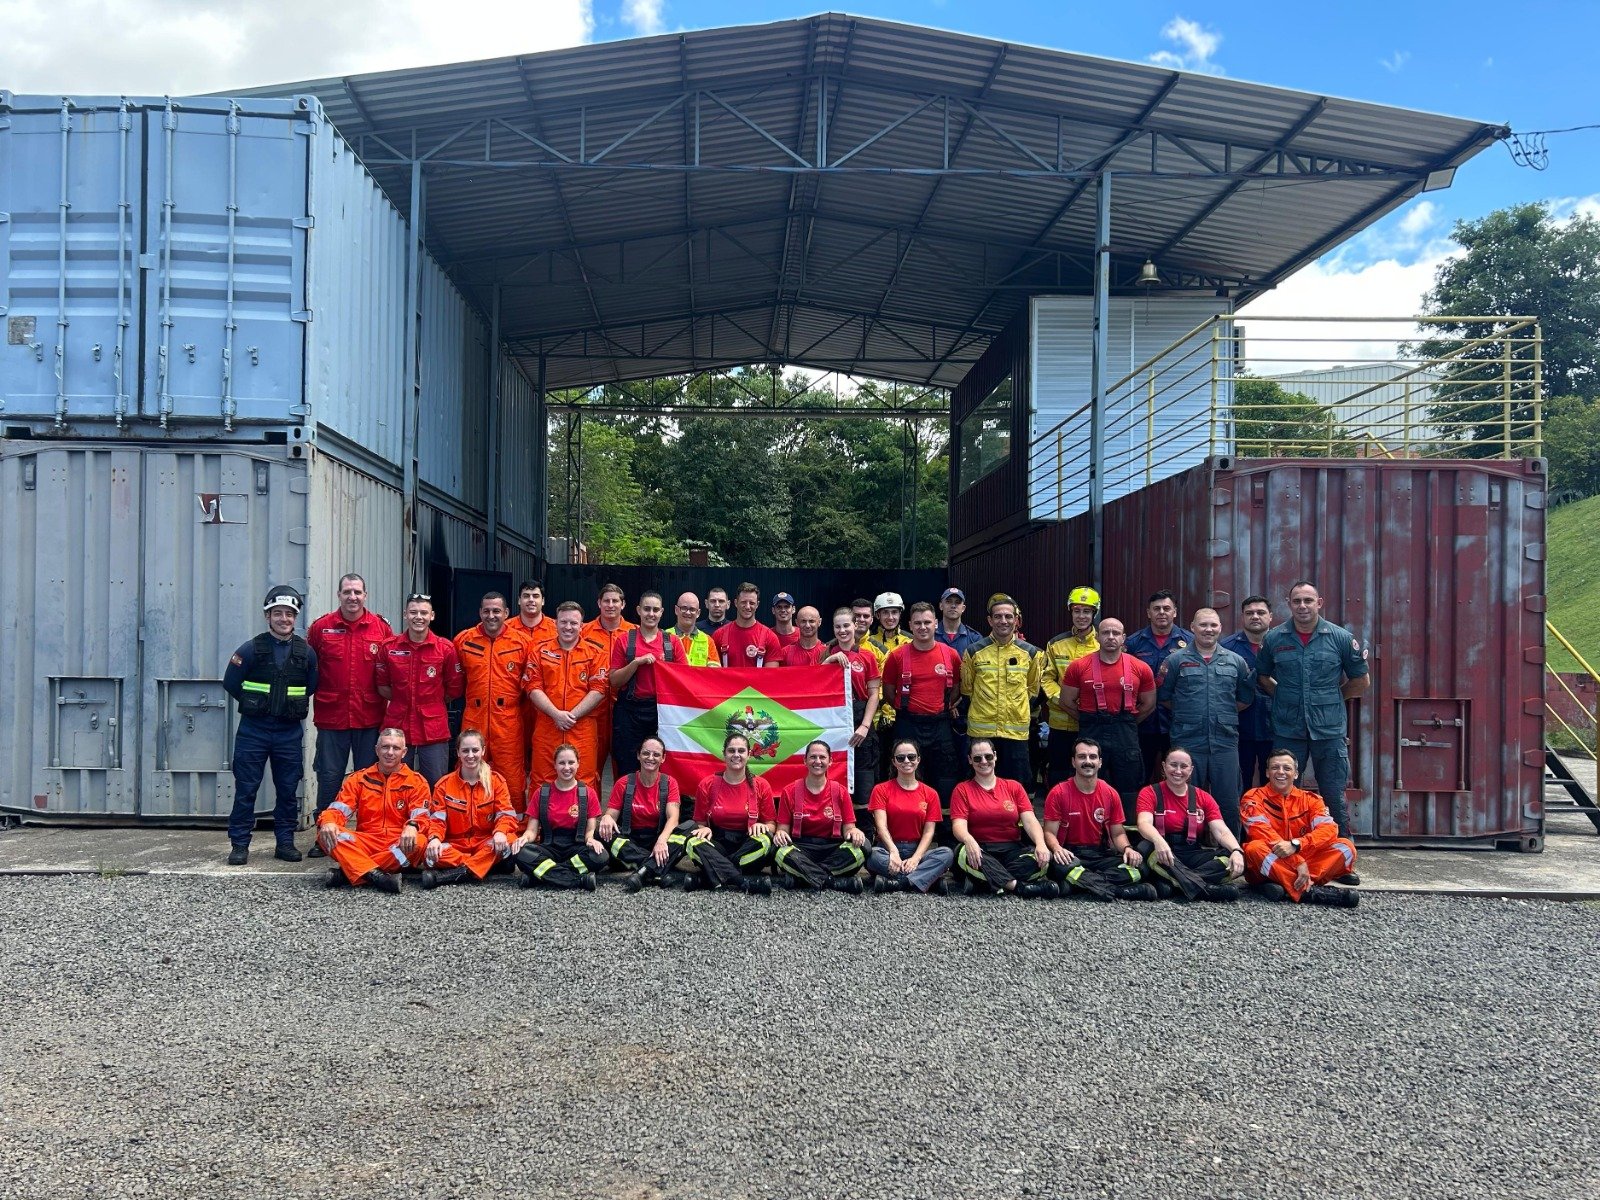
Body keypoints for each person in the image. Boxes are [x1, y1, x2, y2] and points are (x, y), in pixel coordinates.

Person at [1254, 580, 1369, 867]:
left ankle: (1342, 860)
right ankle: (1281, 857)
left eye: (1308, 600)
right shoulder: (1275, 638)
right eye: (1297, 601)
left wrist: (1332, 699)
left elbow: (1360, 680)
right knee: (1281, 790)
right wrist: (1284, 698)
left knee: (1333, 792)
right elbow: (1263, 677)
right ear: (1289, 604)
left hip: (1328, 730)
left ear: (1319, 603)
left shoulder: (1341, 638)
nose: (1302, 606)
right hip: (1288, 729)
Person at [222, 585, 319, 865]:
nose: (284, 619)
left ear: (295, 617)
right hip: (254, 731)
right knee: (246, 790)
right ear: (268, 616)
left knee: (288, 790)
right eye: (278, 613)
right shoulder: (252, 648)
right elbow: (231, 682)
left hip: (288, 732)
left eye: (289, 614)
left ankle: (285, 843)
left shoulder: (306, 653)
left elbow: (311, 686)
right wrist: (257, 705)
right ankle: (239, 845)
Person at [305, 573, 391, 856]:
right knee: (330, 778)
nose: (352, 597)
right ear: (338, 595)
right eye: (347, 592)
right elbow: (309, 666)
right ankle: (324, 838)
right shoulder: (321, 628)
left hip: (369, 718)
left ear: (365, 595)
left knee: (369, 780)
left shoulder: (380, 629)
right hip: (333, 718)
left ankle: (367, 836)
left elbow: (390, 671)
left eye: (357, 592)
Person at [1155, 607, 1255, 838]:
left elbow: (1244, 699)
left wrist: (1220, 715)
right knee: (1188, 800)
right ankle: (1191, 849)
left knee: (1228, 801)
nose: (1208, 630)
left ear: (1220, 628)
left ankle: (1229, 852)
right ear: (1192, 628)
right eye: (1203, 625)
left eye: (1213, 625)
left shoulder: (1236, 662)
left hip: (1225, 743)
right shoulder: (1175, 660)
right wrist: (1190, 714)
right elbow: (1165, 697)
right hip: (1188, 743)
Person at [1058, 617, 1155, 819]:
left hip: (1125, 734)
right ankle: (1086, 831)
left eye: (1116, 633)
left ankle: (1127, 835)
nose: (1111, 637)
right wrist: (1086, 721)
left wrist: (1127, 724)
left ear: (1123, 638)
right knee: (1086, 780)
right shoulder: (1078, 667)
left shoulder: (1140, 668)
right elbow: (1066, 702)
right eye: (1106, 632)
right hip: (1092, 732)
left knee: (1129, 783)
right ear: (1098, 636)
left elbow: (1149, 705)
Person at [316, 726, 429, 893]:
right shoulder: (359, 779)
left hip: (397, 842)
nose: (390, 752)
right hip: (366, 842)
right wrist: (328, 821)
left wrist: (412, 826)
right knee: (325, 835)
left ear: (404, 752)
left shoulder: (417, 782)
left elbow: (422, 817)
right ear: (376, 750)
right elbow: (338, 810)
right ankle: (379, 877)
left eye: (396, 748)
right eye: (385, 747)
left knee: (419, 843)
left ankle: (352, 871)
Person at [1239, 750, 1359, 908]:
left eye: (1287, 768)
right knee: (1254, 849)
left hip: (1300, 855)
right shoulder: (1253, 797)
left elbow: (1328, 830)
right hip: (1270, 856)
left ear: (1296, 774)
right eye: (1275, 768)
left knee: (1346, 847)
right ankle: (1309, 892)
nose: (1281, 772)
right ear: (1267, 773)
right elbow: (1260, 832)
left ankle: (1285, 884)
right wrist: (1297, 862)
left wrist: (1297, 845)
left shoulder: (1311, 800)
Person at [1041, 737, 1154, 901]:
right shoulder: (1058, 793)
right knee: (1057, 866)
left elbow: (1117, 834)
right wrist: (1057, 849)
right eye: (1082, 757)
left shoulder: (1110, 793)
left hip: (1101, 855)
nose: (1088, 761)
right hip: (1070, 855)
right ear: (1073, 762)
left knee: (1140, 867)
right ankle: (1120, 892)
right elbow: (1049, 832)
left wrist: (1128, 849)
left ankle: (1081, 884)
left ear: (1100, 762)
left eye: (1093, 757)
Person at [453, 591, 533, 813]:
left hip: (508, 718)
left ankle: (514, 823)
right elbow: (454, 681)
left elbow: (531, 685)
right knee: (468, 769)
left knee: (512, 774)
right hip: (473, 716)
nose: (491, 616)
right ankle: (469, 819)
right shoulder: (463, 640)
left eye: (496, 611)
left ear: (506, 613)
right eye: (486, 611)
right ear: (480, 612)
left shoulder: (522, 642)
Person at [1133, 747, 1247, 902]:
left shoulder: (1203, 797)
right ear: (1164, 766)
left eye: (1184, 766)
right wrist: (1159, 840)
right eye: (1173, 765)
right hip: (1161, 851)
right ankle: (1205, 890)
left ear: (1191, 770)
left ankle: (1177, 884)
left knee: (1231, 859)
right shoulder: (1149, 792)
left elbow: (1221, 831)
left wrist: (1236, 850)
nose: (1178, 771)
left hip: (1190, 851)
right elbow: (1143, 823)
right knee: (1146, 849)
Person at [375, 592, 464, 788]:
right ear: (405, 614)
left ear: (432, 616)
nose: (419, 617)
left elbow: (454, 689)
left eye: (424, 613)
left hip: (433, 726)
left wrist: (433, 701)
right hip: (398, 721)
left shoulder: (445, 649)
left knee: (435, 781)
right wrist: (403, 698)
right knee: (394, 780)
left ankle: (434, 819)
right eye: (413, 612)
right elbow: (382, 686)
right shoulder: (388, 647)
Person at [950, 739, 1054, 896]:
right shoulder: (962, 789)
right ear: (970, 760)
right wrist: (969, 840)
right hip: (980, 849)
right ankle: (1019, 887)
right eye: (977, 758)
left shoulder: (1014, 787)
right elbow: (958, 825)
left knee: (1041, 860)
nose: (984, 762)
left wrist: (1041, 844)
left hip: (1012, 849)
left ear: (995, 756)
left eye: (988, 757)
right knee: (962, 854)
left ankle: (987, 881)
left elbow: (1030, 821)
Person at [959, 595, 1043, 789]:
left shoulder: (1031, 653)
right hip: (982, 733)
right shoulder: (974, 652)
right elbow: (967, 689)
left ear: (1016, 619)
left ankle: (1018, 820)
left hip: (1015, 733)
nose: (1003, 621)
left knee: (1017, 785)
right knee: (978, 784)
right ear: (990, 620)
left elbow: (1033, 689)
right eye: (998, 617)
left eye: (1008, 616)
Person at [881, 602, 961, 802]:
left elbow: (957, 689)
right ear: (910, 624)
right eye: (917, 623)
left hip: (940, 723)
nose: (922, 627)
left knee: (944, 775)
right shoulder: (897, 656)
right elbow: (889, 693)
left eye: (927, 622)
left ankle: (943, 827)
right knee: (906, 776)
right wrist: (908, 709)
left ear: (936, 624)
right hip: (908, 724)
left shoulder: (950, 654)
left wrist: (942, 707)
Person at [420, 730, 520, 889]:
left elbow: (506, 815)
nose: (470, 755)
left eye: (475, 750)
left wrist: (500, 831)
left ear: (483, 751)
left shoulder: (496, 782)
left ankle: (452, 875)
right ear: (458, 752)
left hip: (485, 842)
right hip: (456, 845)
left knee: (511, 840)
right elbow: (437, 820)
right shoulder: (444, 785)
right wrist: (435, 839)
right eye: (465, 750)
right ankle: (485, 866)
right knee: (429, 855)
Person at [528, 602, 609, 794]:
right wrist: (556, 714)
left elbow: (599, 689)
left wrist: (571, 716)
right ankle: (540, 823)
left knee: (584, 777)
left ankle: (586, 823)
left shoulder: (595, 653)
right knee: (542, 777)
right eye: (563, 622)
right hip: (548, 725)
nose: (568, 627)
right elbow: (532, 686)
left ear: (582, 626)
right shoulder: (539, 651)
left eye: (574, 623)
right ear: (555, 623)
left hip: (582, 728)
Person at [598, 736, 694, 892]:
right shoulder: (623, 783)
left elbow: (673, 818)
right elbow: (611, 816)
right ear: (638, 755)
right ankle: (656, 868)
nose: (651, 758)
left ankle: (643, 871)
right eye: (646, 753)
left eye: (656, 755)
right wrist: (607, 818)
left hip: (659, 843)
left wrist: (662, 841)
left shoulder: (670, 783)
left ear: (663, 758)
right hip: (630, 842)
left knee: (690, 827)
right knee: (601, 833)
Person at [773, 740, 870, 893]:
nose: (817, 761)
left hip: (832, 849)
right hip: (802, 848)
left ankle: (806, 876)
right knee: (778, 850)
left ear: (830, 761)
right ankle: (831, 881)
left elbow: (849, 828)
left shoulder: (841, 791)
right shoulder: (789, 791)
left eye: (822, 757)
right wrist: (780, 834)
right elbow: (782, 829)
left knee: (864, 846)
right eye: (813, 757)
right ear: (805, 760)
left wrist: (854, 832)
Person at [685, 732, 776, 894]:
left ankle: (708, 877)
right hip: (718, 844)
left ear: (749, 754)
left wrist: (764, 826)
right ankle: (742, 882)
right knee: (692, 842)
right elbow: (700, 822)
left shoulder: (761, 785)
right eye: (731, 751)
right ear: (724, 754)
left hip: (747, 846)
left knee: (766, 841)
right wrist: (703, 828)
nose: (736, 755)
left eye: (741, 751)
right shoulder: (707, 784)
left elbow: (772, 825)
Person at [608, 591, 684, 777]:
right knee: (626, 761)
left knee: (660, 762)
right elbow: (614, 681)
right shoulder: (625, 640)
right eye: (647, 609)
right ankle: (626, 804)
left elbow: (684, 681)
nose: (651, 614)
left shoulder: (672, 643)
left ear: (662, 613)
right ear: (639, 611)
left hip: (661, 713)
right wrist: (635, 663)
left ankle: (657, 804)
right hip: (629, 711)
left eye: (655, 610)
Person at [512, 743, 607, 891]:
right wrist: (524, 838)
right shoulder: (541, 793)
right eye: (562, 763)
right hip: (549, 847)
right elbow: (531, 831)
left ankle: (539, 877)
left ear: (578, 764)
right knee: (520, 852)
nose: (566, 767)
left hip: (576, 846)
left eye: (571, 762)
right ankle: (579, 880)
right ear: (554, 765)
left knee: (600, 856)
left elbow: (590, 831)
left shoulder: (588, 793)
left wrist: (591, 841)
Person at [865, 738, 955, 894]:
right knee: (871, 855)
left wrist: (916, 858)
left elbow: (928, 832)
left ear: (918, 760)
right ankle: (926, 881)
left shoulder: (930, 793)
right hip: (887, 848)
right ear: (894, 762)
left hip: (917, 848)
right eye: (900, 758)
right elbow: (881, 827)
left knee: (946, 854)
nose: (906, 761)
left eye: (911, 757)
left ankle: (898, 883)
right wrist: (893, 852)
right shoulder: (881, 790)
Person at [1126, 591, 1194, 781]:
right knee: (1139, 775)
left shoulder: (1190, 642)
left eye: (1166, 608)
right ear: (1148, 613)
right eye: (1156, 609)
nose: (1161, 612)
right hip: (1142, 721)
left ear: (1175, 612)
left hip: (1177, 722)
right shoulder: (1133, 643)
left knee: (1177, 775)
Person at [1039, 586, 1101, 788]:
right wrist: (1064, 702)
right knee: (1059, 773)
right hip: (1061, 723)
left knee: (1089, 772)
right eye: (1077, 611)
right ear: (1070, 612)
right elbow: (1046, 678)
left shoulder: (1103, 643)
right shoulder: (1056, 643)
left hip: (1091, 722)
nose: (1081, 616)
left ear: (1094, 613)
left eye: (1086, 611)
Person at [824, 607, 881, 809]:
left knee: (864, 775)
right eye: (838, 627)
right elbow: (814, 687)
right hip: (834, 721)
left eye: (846, 625)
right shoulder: (825, 653)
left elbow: (874, 694)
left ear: (855, 625)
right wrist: (828, 662)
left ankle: (865, 830)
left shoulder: (867, 656)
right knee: (833, 773)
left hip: (860, 718)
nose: (842, 631)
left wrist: (865, 726)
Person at [1222, 595, 1275, 791]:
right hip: (1238, 728)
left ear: (1270, 616)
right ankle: (1239, 823)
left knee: (1273, 785)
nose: (1255, 616)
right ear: (1242, 617)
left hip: (1275, 728)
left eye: (1260, 612)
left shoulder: (1283, 644)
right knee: (1237, 784)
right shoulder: (1226, 648)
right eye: (1249, 613)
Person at [582, 583, 636, 774]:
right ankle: (590, 804)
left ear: (623, 604)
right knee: (589, 766)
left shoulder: (635, 633)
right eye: (606, 601)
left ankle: (622, 804)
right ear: (599, 603)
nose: (610, 605)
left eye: (615, 601)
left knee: (624, 764)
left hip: (625, 707)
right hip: (592, 709)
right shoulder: (583, 632)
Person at [712, 581, 782, 667]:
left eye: (752, 603)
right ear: (736, 603)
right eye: (743, 602)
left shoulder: (770, 637)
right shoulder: (719, 635)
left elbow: (770, 676)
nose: (748, 606)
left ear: (757, 605)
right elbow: (713, 674)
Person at [670, 593, 722, 667]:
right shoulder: (665, 636)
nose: (688, 612)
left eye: (692, 609)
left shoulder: (708, 640)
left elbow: (714, 673)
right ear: (676, 610)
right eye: (684, 608)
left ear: (698, 613)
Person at [935, 587, 984, 657]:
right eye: (948, 601)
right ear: (941, 606)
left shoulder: (974, 638)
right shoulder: (931, 635)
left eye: (957, 602)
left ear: (963, 608)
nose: (953, 606)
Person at [512, 580, 556, 648]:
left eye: (536, 596)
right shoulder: (505, 628)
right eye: (526, 596)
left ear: (543, 601)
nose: (531, 600)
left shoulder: (557, 629)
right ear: (519, 600)